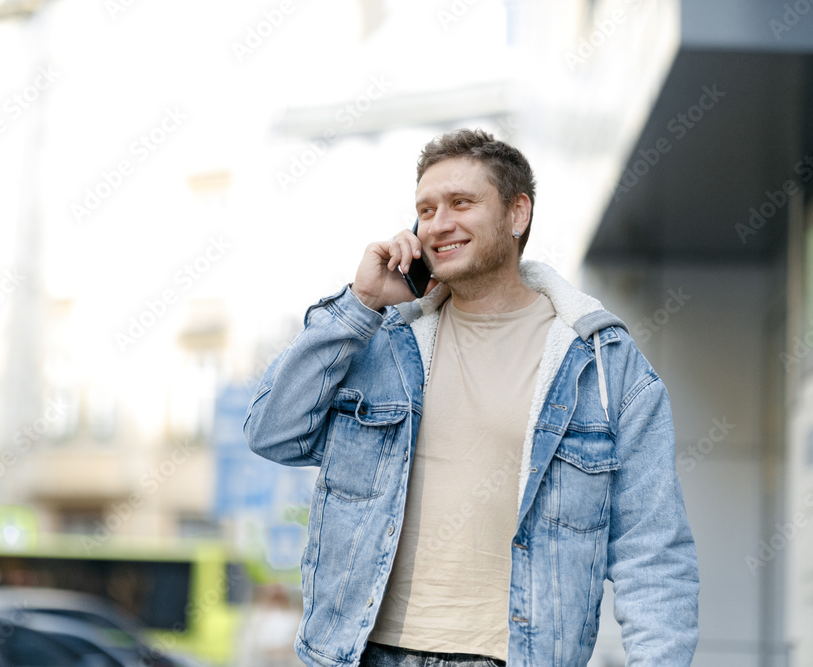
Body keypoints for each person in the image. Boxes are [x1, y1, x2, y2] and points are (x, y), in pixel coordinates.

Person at [245, 129, 699, 667]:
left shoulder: (601, 366)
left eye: (461, 203)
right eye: (426, 209)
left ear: (517, 214)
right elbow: (273, 431)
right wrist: (361, 303)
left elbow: (653, 554)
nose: (438, 224)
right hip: (363, 654)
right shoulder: (382, 343)